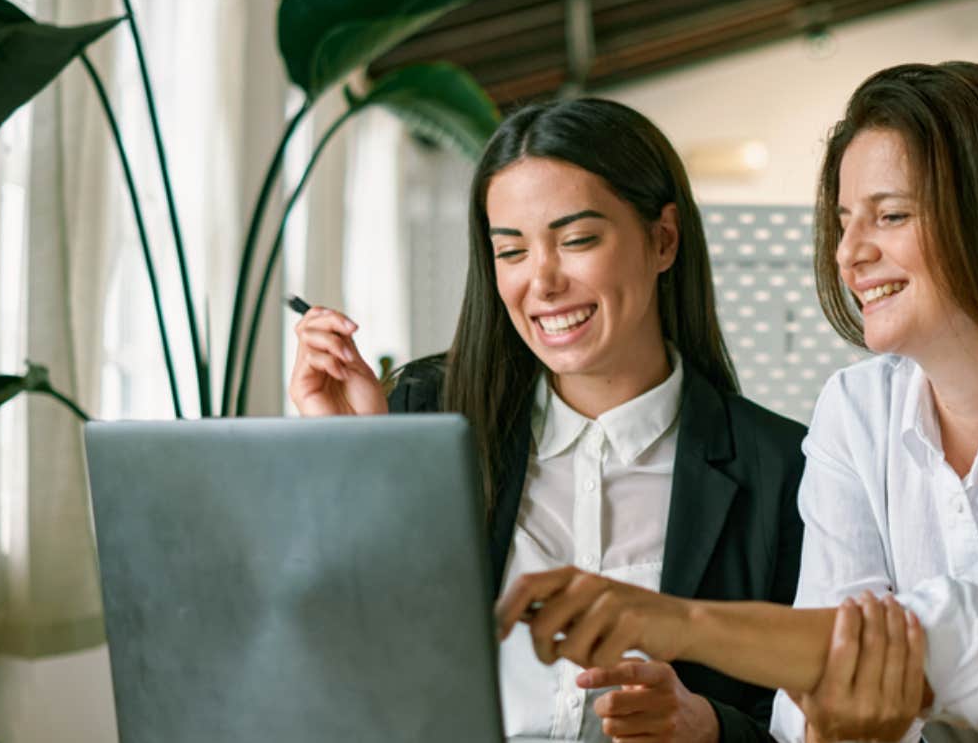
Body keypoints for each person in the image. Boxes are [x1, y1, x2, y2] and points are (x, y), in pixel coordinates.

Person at [494, 62, 978, 743]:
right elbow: (810, 722)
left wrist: (671, 621)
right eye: (843, 221)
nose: (848, 252)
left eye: (891, 215)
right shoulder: (858, 411)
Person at [288, 98, 806, 742]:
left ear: (663, 239)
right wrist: (358, 456)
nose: (544, 281)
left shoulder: (781, 468)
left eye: (578, 240)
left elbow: (814, 719)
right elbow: (344, 662)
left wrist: (710, 728)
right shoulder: (429, 414)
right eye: (512, 251)